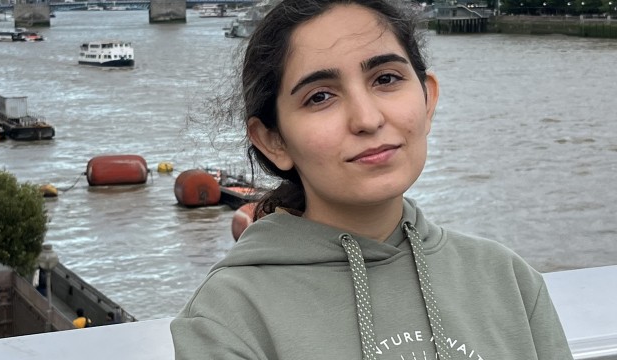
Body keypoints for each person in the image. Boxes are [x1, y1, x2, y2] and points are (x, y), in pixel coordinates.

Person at [170, 0, 574, 359]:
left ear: (428, 98)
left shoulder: (507, 279)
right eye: (320, 97)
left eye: (385, 79)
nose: (367, 119)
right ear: (273, 140)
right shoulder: (229, 316)